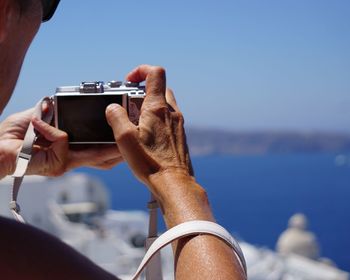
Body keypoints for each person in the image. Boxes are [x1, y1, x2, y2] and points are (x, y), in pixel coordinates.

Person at [0, 0, 246, 279]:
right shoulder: (19, 255)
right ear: (3, 13)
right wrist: (174, 178)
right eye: (47, 3)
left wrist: (6, 157)